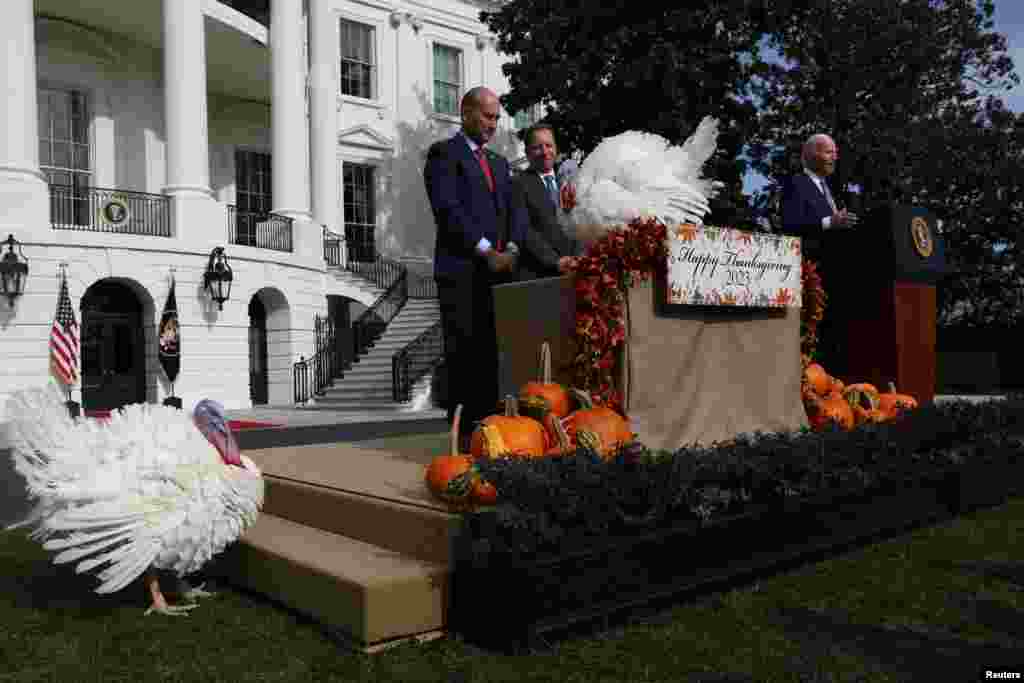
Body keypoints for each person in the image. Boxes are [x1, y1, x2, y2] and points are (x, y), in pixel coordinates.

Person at [424, 86, 527, 446]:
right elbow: (449, 212)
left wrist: (511, 247)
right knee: (464, 356)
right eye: (487, 116)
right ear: (466, 112)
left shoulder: (499, 164)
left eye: (497, 118)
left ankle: (490, 435)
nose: (492, 124)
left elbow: (515, 211)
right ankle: (464, 439)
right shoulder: (443, 155)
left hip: (499, 275)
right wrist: (487, 251)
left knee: (492, 356)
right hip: (462, 273)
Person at [512, 124, 580, 280]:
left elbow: (579, 221)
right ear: (527, 153)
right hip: (541, 274)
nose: (544, 152)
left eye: (549, 145)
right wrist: (556, 261)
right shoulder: (518, 183)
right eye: (537, 147)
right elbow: (523, 229)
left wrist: (578, 257)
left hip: (576, 269)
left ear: (556, 148)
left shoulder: (568, 180)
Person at [780, 133, 858, 258]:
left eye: (835, 153)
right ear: (811, 156)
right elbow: (791, 226)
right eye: (828, 152)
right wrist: (829, 222)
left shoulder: (832, 188)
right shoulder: (796, 183)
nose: (835, 158)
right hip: (812, 265)